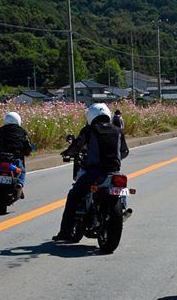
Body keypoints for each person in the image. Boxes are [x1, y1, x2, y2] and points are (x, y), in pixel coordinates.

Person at [55, 103, 129, 242]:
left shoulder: (89, 130)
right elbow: (124, 151)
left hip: (95, 173)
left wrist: (67, 153)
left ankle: (65, 232)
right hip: (114, 172)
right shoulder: (118, 130)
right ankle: (122, 209)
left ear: (91, 116)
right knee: (122, 189)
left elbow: (77, 145)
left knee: (73, 196)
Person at [0, 111, 32, 197]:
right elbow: (28, 146)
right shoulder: (22, 131)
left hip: (0, 157)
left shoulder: (1, 130)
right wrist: (27, 152)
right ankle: (19, 184)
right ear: (18, 120)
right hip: (15, 158)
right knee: (22, 171)